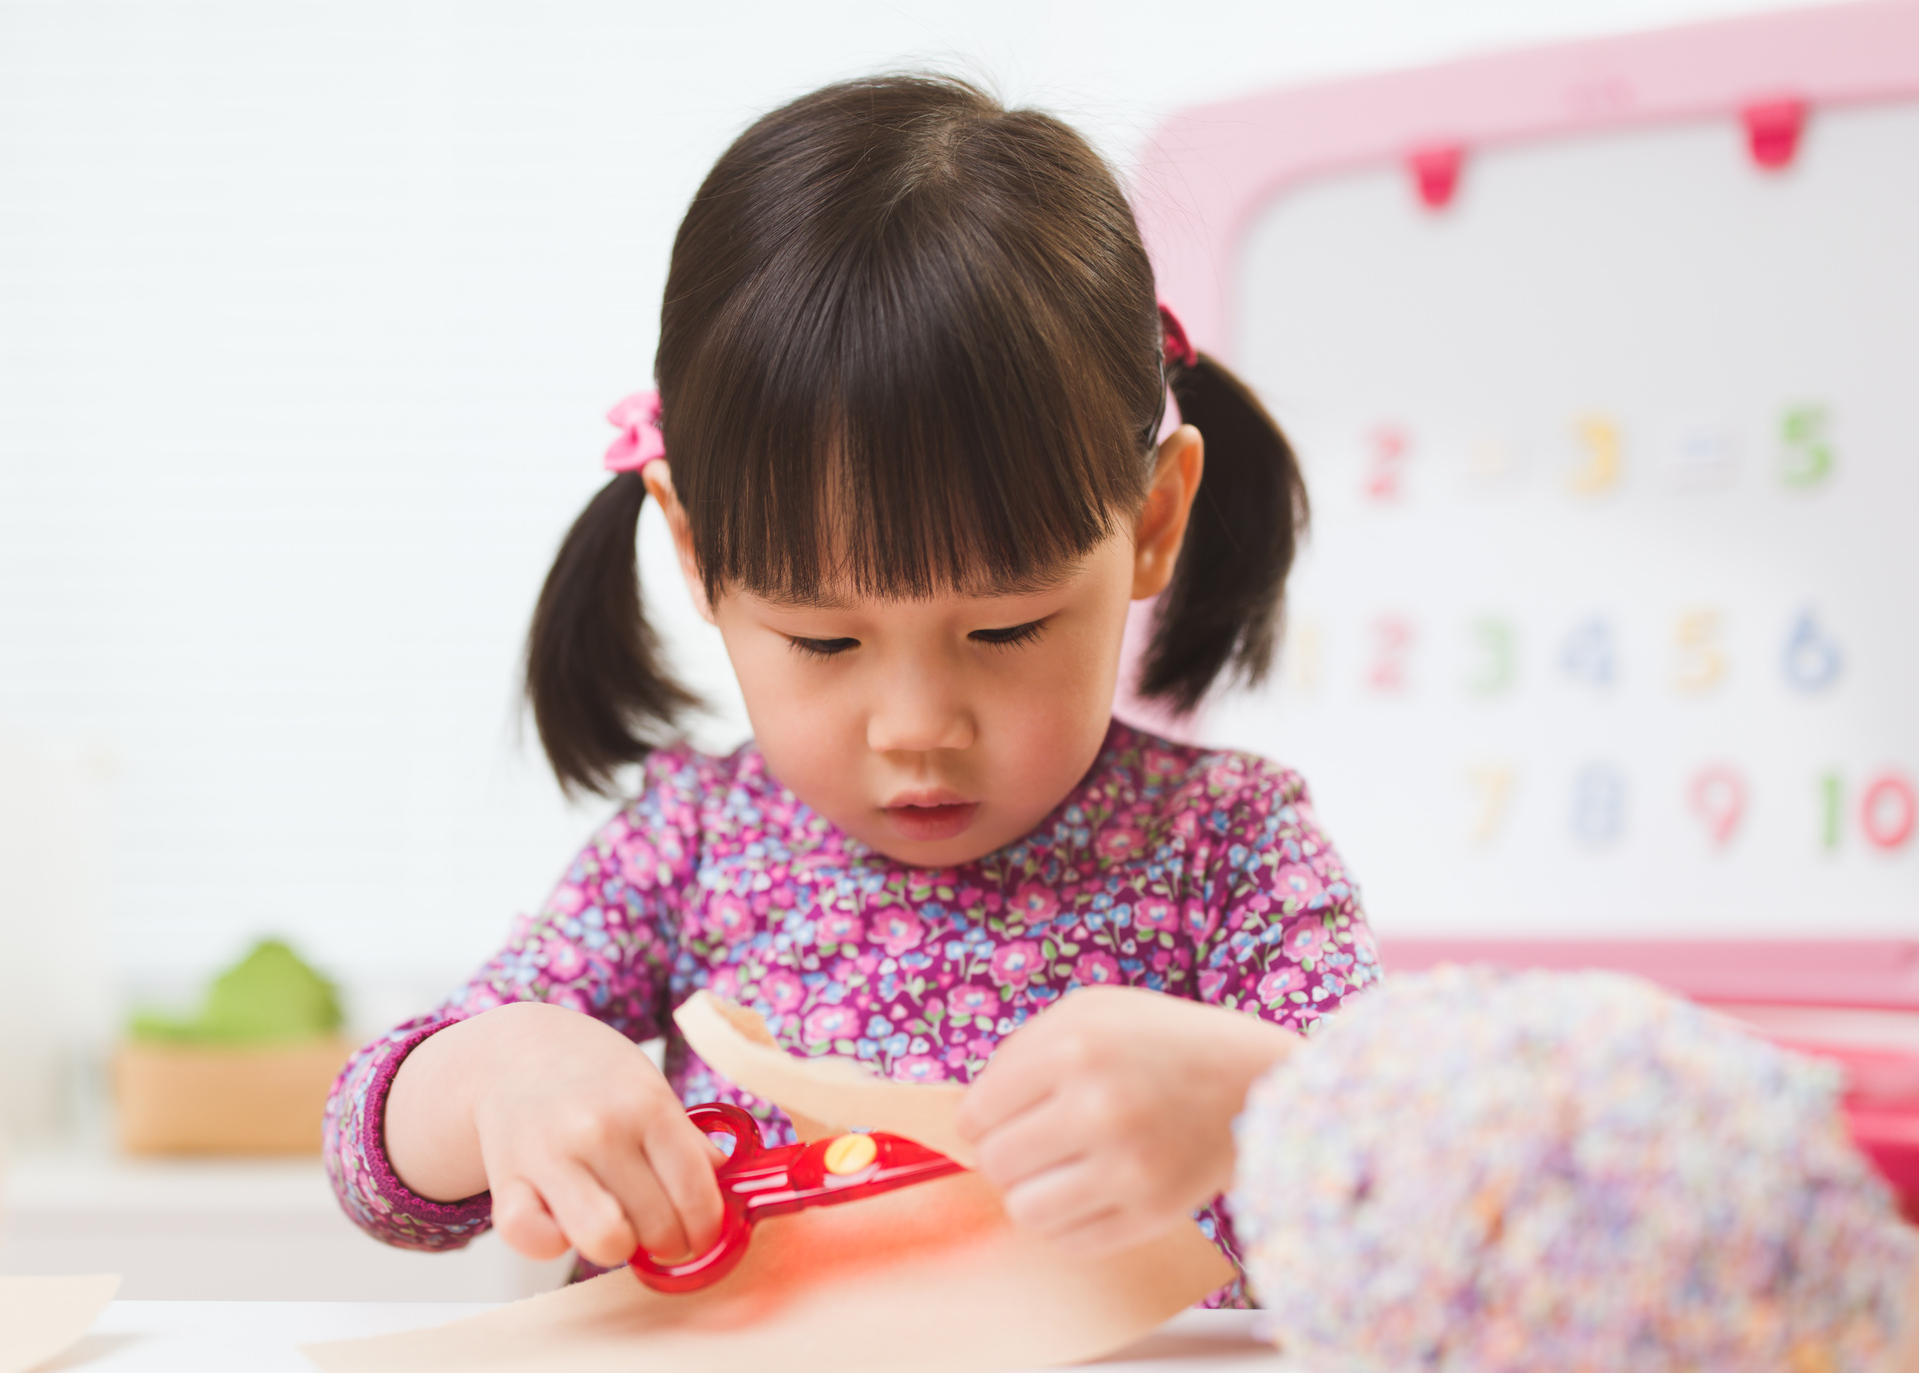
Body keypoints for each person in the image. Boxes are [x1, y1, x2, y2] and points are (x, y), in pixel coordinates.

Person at [325, 74, 1377, 1300]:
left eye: (1005, 626)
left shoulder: (1227, 854)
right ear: (695, 552)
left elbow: (1421, 1194)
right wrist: (497, 1076)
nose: (916, 726)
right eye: (824, 642)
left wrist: (1255, 1107)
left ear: (1152, 521)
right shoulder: (691, 845)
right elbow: (375, 1161)